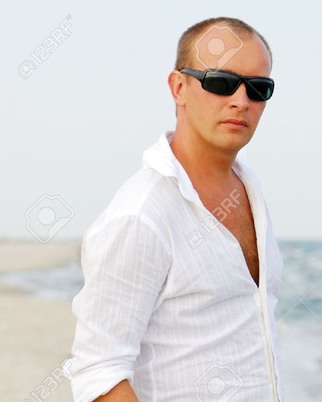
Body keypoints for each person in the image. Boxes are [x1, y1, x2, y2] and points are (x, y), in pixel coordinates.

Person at [68, 17, 284, 401]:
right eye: (221, 82)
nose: (241, 100)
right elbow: (98, 372)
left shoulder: (250, 189)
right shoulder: (142, 214)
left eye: (258, 88)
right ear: (179, 87)